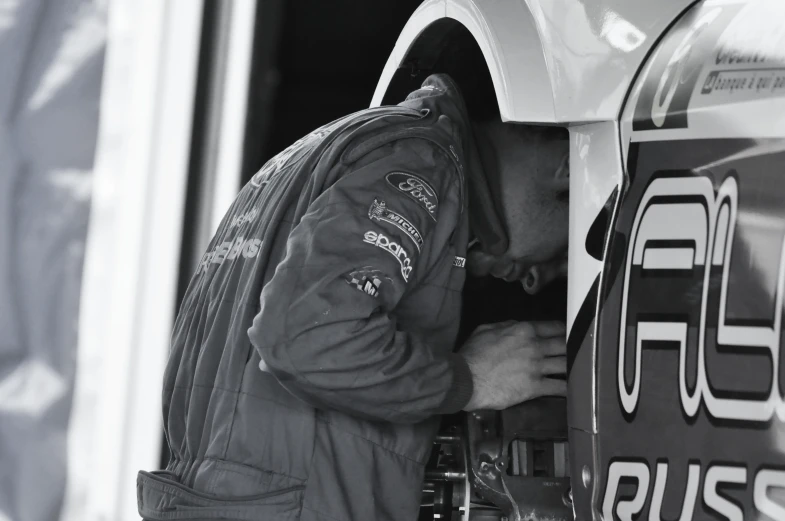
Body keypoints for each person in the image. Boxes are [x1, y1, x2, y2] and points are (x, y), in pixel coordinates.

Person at [137, 72, 570, 521]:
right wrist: (470, 379)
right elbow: (306, 336)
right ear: (568, 170)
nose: (535, 280)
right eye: (565, 254)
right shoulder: (420, 165)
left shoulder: (311, 160)